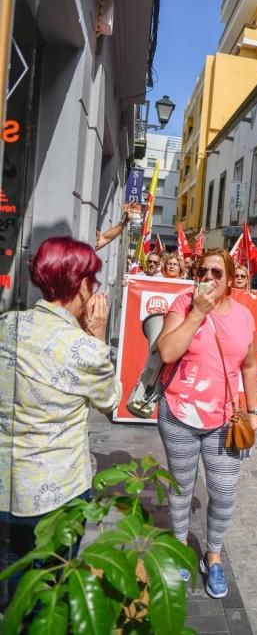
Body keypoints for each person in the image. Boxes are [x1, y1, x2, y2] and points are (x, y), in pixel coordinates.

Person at [0, 236, 121, 605]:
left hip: (5, 485)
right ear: (83, 285)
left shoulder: (6, 323)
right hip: (56, 495)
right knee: (48, 592)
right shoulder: (84, 348)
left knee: (10, 580)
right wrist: (98, 336)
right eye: (93, 283)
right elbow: (109, 400)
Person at [156, 248, 257, 599]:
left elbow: (249, 365)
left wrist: (256, 410)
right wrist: (196, 314)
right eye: (203, 271)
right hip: (179, 415)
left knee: (224, 492)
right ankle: (179, 546)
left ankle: (212, 556)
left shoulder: (244, 315)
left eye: (218, 273)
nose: (209, 278)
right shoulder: (182, 303)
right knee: (182, 488)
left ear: (230, 279)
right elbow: (167, 352)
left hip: (224, 419)